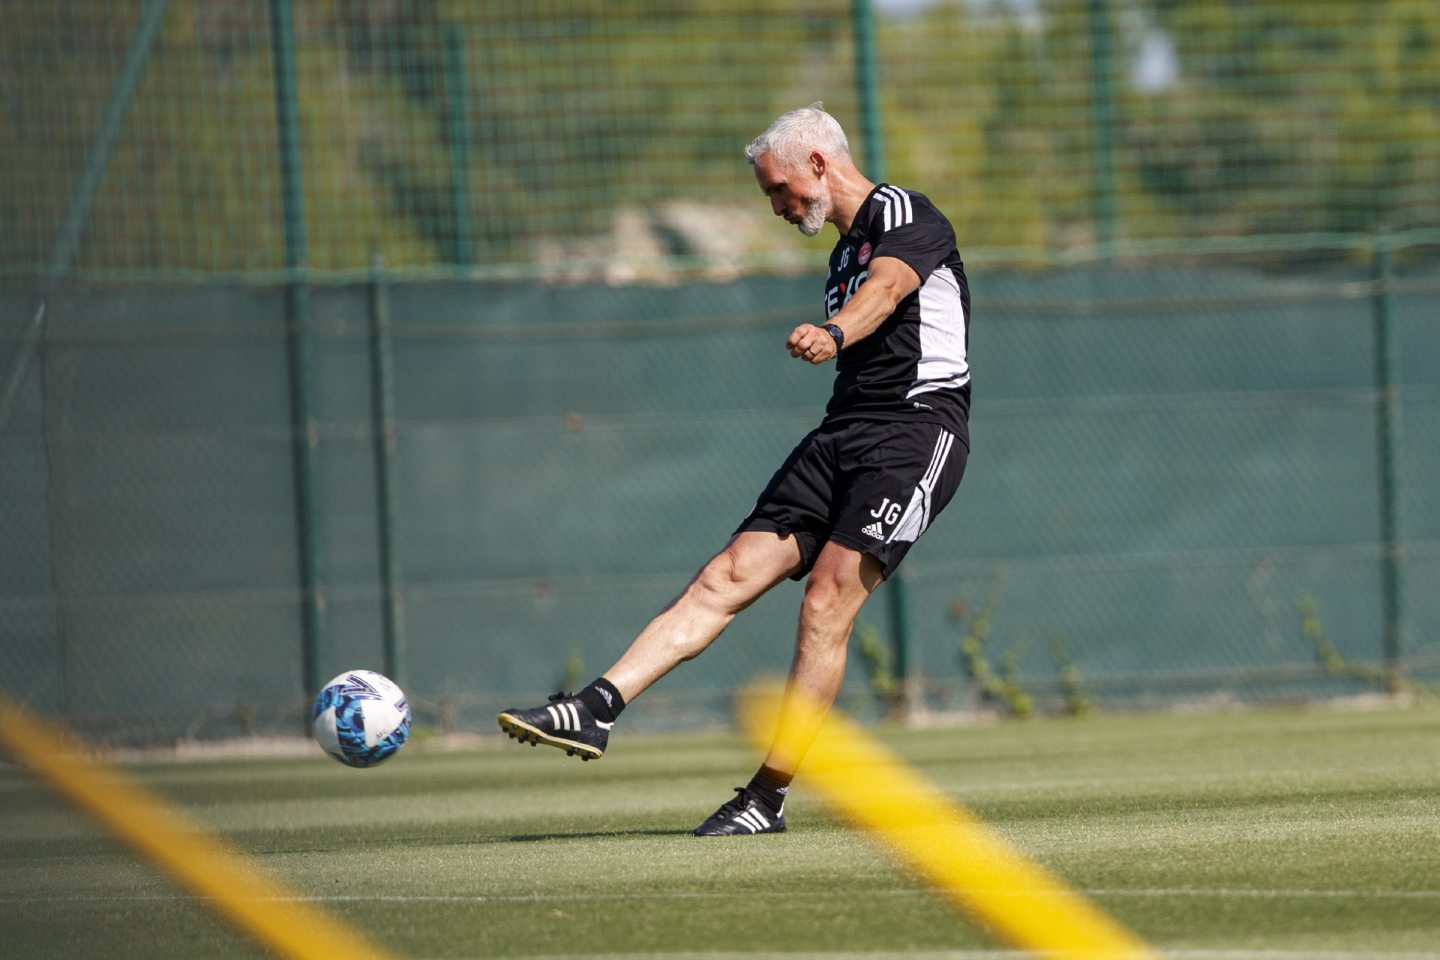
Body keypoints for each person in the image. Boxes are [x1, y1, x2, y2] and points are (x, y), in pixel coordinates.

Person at [498, 103, 971, 836]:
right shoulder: (840, 253)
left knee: (824, 602)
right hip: (840, 435)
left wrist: (835, 329)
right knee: (724, 575)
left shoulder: (904, 212)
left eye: (780, 190)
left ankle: (765, 799)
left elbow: (890, 290)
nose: (779, 207)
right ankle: (593, 708)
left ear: (818, 162)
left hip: (915, 433)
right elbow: (865, 285)